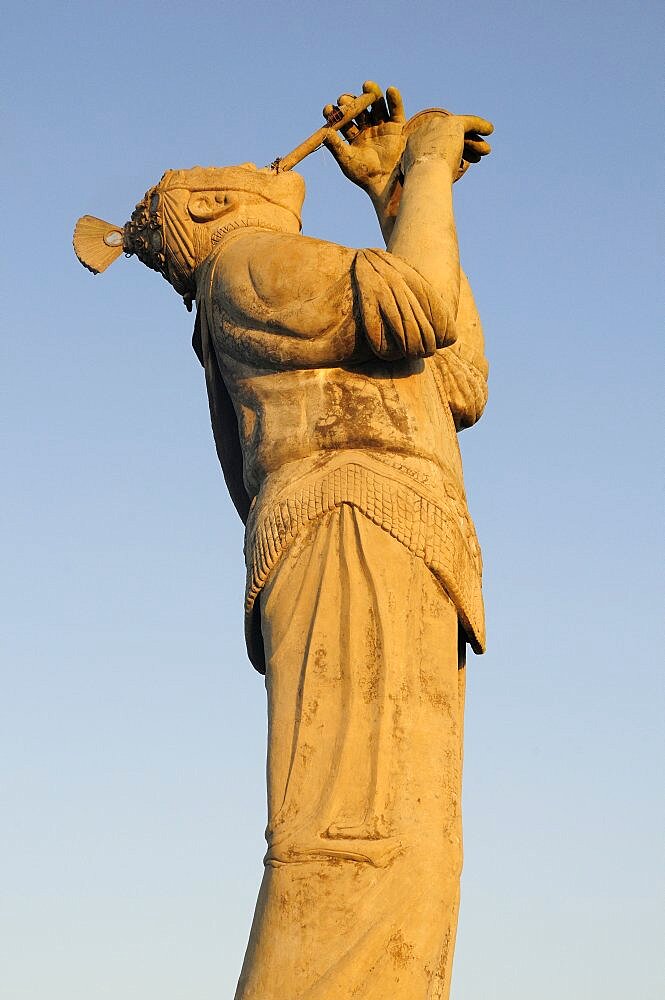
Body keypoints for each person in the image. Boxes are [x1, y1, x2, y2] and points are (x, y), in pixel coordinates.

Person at [77, 83, 493, 999]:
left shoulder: (272, 265)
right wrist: (423, 161)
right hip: (353, 530)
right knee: (351, 841)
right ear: (212, 211)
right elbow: (420, 302)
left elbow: (456, 375)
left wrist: (396, 198)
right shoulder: (249, 265)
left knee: (407, 858)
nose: (277, 168)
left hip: (387, 534)